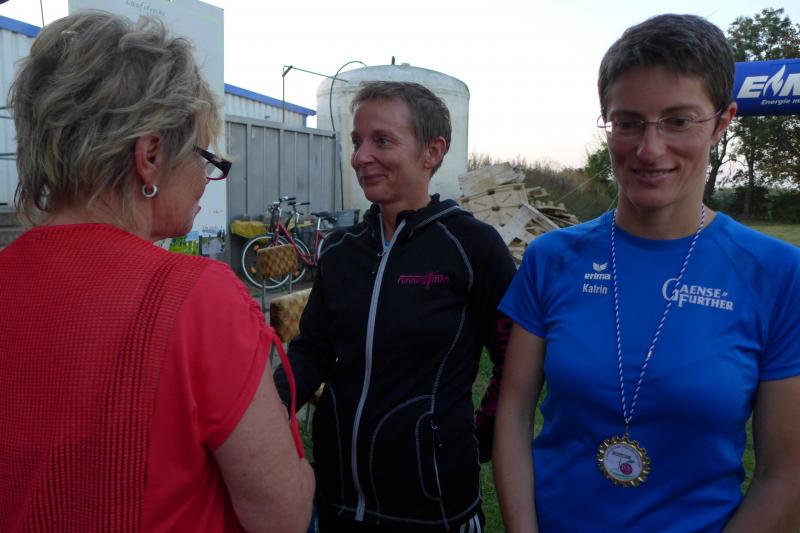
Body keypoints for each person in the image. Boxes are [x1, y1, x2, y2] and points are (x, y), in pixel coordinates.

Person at [0, 12, 314, 532]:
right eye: (203, 156)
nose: (207, 178)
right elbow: (282, 515)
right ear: (149, 155)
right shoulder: (196, 298)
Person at [494, 13, 800, 532]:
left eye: (679, 121)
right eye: (629, 122)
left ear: (722, 122)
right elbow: (514, 418)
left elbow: (786, 474)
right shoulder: (551, 258)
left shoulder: (777, 274)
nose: (649, 149)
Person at [274, 81, 516, 531]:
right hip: (336, 496)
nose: (360, 157)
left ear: (432, 152)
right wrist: (267, 413)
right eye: (357, 141)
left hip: (434, 504)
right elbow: (312, 353)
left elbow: (515, 361)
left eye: (382, 141)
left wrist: (475, 436)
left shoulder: (472, 247)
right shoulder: (340, 251)